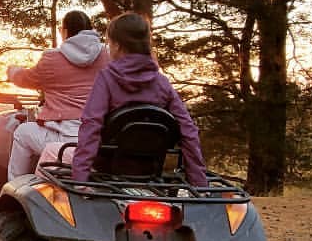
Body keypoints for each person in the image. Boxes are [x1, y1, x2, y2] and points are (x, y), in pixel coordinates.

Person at [69, 12, 208, 186]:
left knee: (53, 160)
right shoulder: (162, 83)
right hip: (150, 168)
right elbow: (188, 131)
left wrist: (80, 181)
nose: (109, 48)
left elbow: (91, 126)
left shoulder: (107, 78)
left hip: (107, 168)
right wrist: (200, 184)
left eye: (109, 43)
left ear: (117, 46)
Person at [5, 10, 109, 178]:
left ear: (65, 31)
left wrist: (12, 72)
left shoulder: (51, 58)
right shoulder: (108, 55)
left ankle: (13, 187)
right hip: (99, 140)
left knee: (22, 133)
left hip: (65, 141)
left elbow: (27, 79)